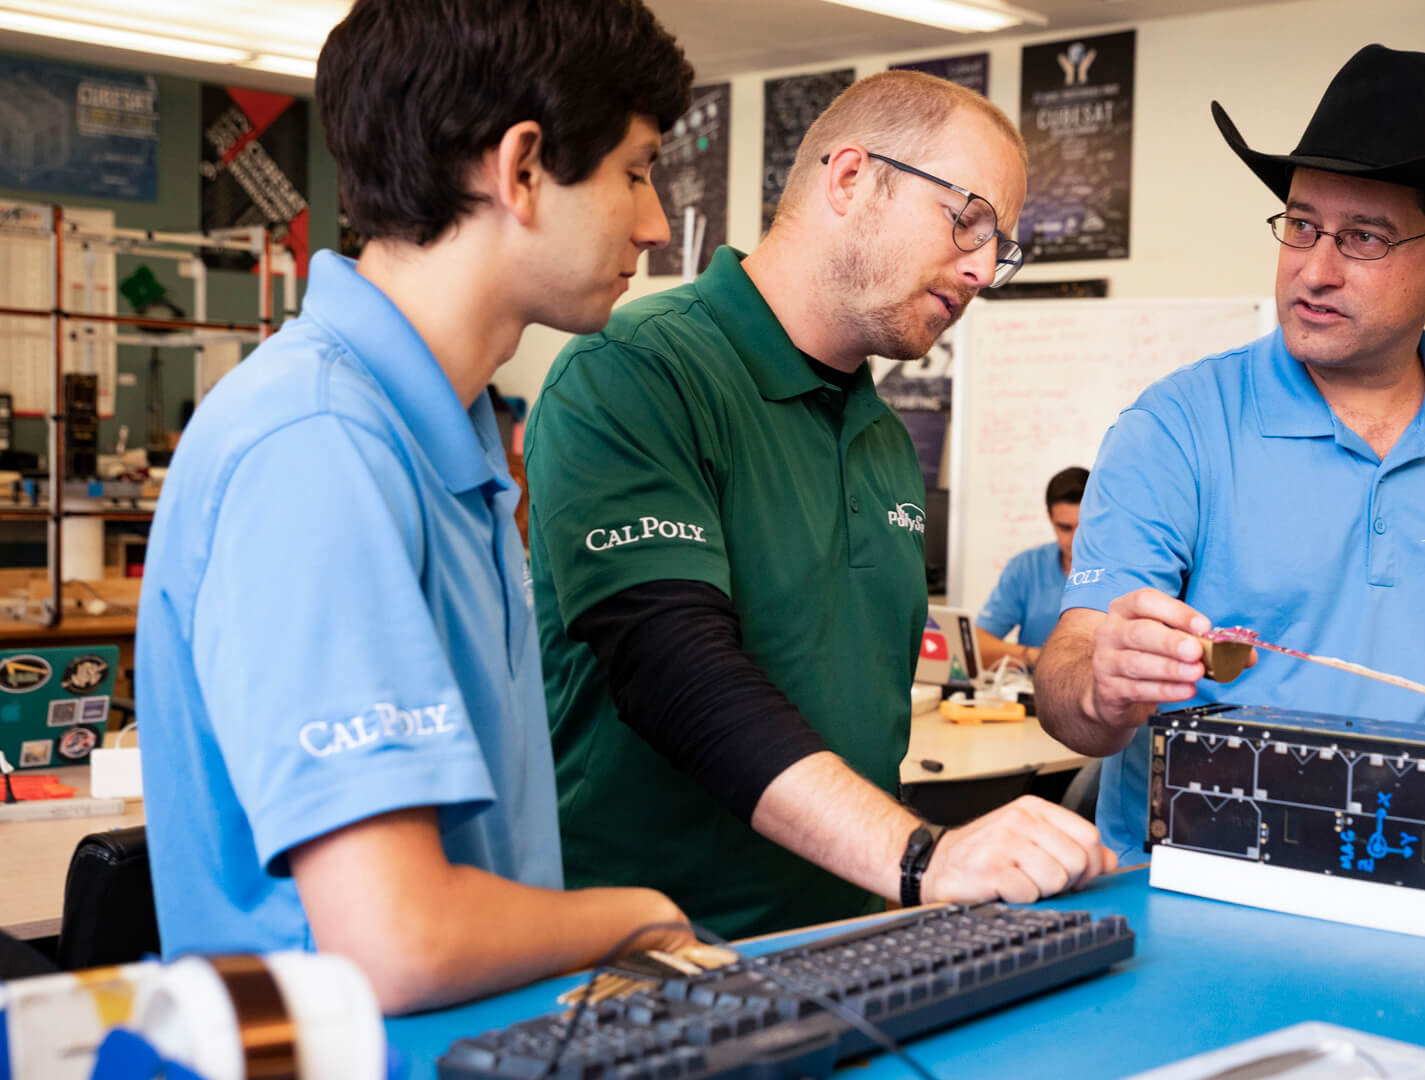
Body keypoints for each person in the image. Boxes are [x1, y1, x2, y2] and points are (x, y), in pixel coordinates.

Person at [135, 0, 696, 1014]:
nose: (654, 223)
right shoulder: (318, 446)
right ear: (522, 168)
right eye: (636, 171)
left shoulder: (444, 433)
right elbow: (396, 941)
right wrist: (644, 916)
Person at [527, 70, 1114, 940]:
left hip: (850, 937)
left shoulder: (883, 441)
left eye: (1002, 246)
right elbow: (675, 669)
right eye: (968, 221)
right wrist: (920, 856)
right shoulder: (635, 369)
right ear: (849, 179)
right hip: (651, 952)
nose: (984, 270)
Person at [1034, 44, 1425, 867]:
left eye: (1363, 237)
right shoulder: (1177, 426)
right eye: (1301, 226)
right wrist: (1101, 683)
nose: (1315, 270)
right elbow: (1068, 684)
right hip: (1195, 887)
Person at [975, 467, 1086, 671]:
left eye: (1083, 527)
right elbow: (977, 645)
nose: (1075, 540)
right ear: (1050, 519)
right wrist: (1036, 657)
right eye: (1065, 528)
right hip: (1031, 685)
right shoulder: (1025, 567)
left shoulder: (1124, 570)